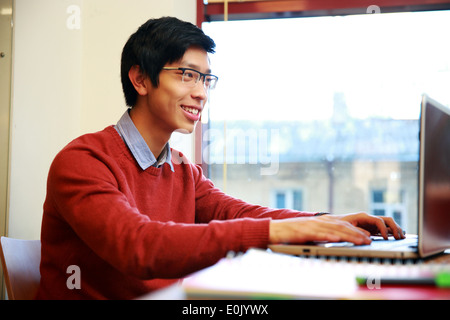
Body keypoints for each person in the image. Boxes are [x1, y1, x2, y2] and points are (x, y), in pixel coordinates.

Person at [36, 16, 404, 300]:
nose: (201, 93)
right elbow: (138, 245)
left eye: (206, 80)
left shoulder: (182, 169)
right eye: (186, 75)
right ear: (141, 79)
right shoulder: (83, 161)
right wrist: (275, 232)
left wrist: (327, 221)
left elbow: (241, 214)